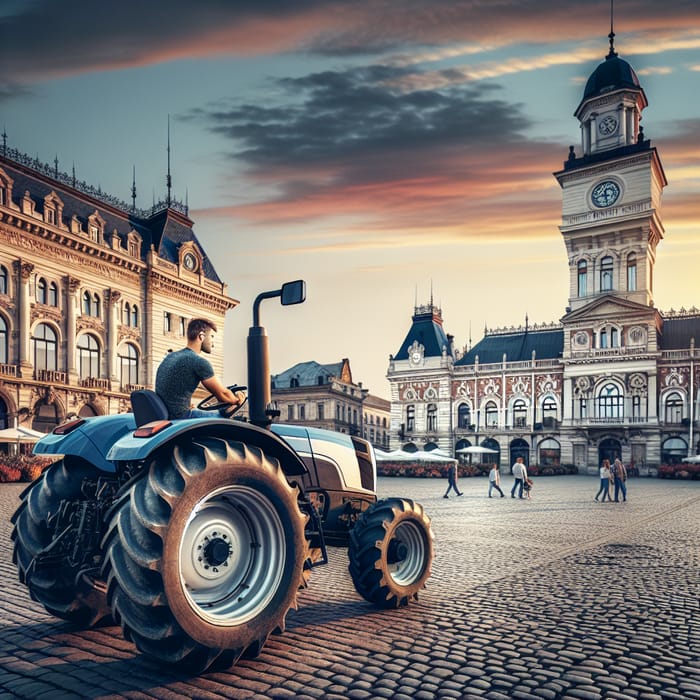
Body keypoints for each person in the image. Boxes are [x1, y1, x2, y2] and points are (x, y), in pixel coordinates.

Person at [155, 318, 245, 419]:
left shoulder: (170, 357)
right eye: (211, 337)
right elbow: (223, 394)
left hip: (167, 415)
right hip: (181, 417)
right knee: (223, 416)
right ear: (201, 336)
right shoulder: (198, 362)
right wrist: (237, 400)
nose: (213, 343)